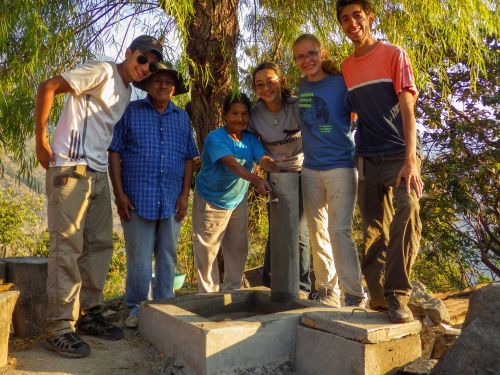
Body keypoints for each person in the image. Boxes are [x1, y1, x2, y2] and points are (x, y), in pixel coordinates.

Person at [35, 35, 163, 358]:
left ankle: (89, 313)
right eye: (142, 58)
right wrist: (41, 138)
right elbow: (47, 86)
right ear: (129, 52)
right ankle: (59, 327)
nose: (146, 67)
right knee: (67, 247)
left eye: (152, 63)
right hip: (70, 167)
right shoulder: (103, 70)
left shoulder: (126, 90)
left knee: (99, 245)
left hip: (96, 171)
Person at [336, 0, 423, 323]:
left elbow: (407, 106)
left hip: (400, 153)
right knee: (373, 229)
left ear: (370, 17)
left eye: (357, 15)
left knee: (410, 208)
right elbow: (348, 111)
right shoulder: (346, 67)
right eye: (345, 19)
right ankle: (376, 296)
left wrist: (410, 159)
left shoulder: (393, 54)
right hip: (366, 156)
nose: (351, 23)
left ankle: (398, 294)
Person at [108, 62, 198, 329]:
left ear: (173, 89)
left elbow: (188, 158)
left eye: (168, 82)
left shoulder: (181, 118)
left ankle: (165, 306)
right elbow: (114, 152)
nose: (163, 86)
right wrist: (119, 194)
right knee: (139, 257)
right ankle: (137, 308)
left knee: (168, 255)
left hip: (171, 199)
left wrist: (184, 196)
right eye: (158, 81)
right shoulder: (131, 112)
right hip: (136, 199)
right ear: (147, 85)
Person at [292, 33, 366, 308]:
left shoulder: (341, 84)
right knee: (316, 230)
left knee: (339, 231)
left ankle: (354, 293)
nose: (307, 60)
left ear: (321, 54)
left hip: (341, 167)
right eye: (300, 56)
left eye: (311, 53)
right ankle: (327, 289)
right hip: (310, 169)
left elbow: (359, 112)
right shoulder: (301, 87)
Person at [192, 93, 281, 293]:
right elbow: (232, 165)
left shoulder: (250, 139)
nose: (239, 119)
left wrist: (277, 168)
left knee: (238, 248)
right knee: (207, 251)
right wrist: (258, 180)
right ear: (224, 115)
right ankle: (208, 298)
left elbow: (262, 159)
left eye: (243, 114)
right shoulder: (216, 138)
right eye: (234, 114)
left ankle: (231, 292)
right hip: (211, 199)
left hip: (237, 200)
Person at [249, 61, 311, 299]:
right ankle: (269, 281)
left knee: (300, 231)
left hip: (303, 171)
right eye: (259, 84)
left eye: (270, 82)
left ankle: (302, 286)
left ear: (281, 81)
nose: (266, 88)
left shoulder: (297, 105)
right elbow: (255, 147)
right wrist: (268, 166)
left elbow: (318, 127)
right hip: (275, 174)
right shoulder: (255, 115)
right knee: (277, 228)